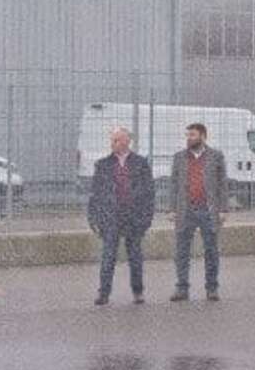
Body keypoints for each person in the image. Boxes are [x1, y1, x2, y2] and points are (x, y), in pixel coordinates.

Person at [87, 126, 155, 305]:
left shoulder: (140, 164)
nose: (113, 144)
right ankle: (104, 293)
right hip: (111, 216)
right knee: (108, 255)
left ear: (127, 141)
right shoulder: (103, 165)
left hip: (133, 216)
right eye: (112, 140)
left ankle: (138, 291)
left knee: (135, 255)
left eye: (117, 140)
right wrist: (93, 217)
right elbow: (95, 193)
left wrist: (147, 218)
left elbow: (149, 192)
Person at [168, 122, 228, 302]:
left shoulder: (216, 156)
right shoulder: (179, 157)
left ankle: (212, 288)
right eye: (187, 135)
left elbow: (222, 184)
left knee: (211, 251)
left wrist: (223, 209)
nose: (189, 138)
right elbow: (174, 185)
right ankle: (182, 288)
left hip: (208, 210)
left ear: (203, 136)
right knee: (182, 252)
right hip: (185, 210)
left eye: (192, 135)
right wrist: (172, 209)